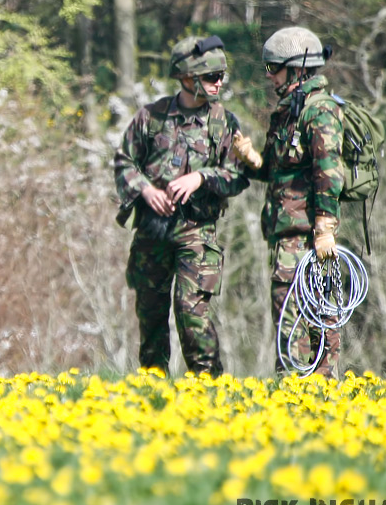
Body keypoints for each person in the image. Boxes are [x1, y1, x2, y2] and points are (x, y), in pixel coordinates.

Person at [113, 36, 249, 377]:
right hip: (152, 232)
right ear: (187, 78)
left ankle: (209, 387)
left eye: (221, 76)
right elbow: (124, 161)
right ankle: (153, 390)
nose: (219, 83)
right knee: (151, 314)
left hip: (197, 233)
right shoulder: (151, 117)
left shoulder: (224, 123)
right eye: (211, 77)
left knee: (192, 313)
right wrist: (145, 190)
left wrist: (201, 178)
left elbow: (237, 175)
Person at [232, 26, 344, 379]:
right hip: (285, 238)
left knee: (315, 324)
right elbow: (276, 170)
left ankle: (317, 401)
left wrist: (325, 228)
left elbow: (329, 172)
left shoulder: (320, 111)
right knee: (289, 320)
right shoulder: (288, 112)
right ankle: (293, 399)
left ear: (297, 68)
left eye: (274, 68)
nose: (270, 76)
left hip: (309, 239)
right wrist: (252, 159)